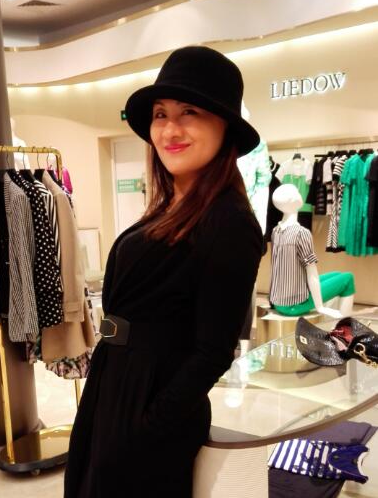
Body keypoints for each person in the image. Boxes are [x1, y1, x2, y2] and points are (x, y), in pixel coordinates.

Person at [64, 45, 263, 498]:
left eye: (189, 112)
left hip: (152, 403)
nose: (170, 130)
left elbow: (213, 351)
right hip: (115, 385)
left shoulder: (228, 221)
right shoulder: (170, 206)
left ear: (225, 126)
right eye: (160, 114)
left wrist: (147, 427)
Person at [269, 184, 355, 318]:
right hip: (294, 305)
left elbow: (276, 268)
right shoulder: (301, 233)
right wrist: (320, 307)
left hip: (278, 301)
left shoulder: (276, 230)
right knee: (348, 278)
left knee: (337, 274)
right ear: (294, 200)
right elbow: (311, 273)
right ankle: (345, 324)